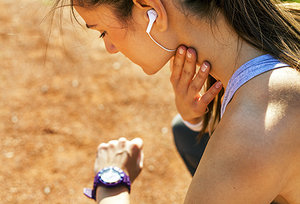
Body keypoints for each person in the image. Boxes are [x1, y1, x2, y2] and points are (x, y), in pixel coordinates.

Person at [52, 0, 300, 203]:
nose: (110, 47)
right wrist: (194, 118)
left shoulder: (254, 130)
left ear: (152, 10)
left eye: (103, 31)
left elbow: (251, 144)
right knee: (185, 131)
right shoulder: (276, 38)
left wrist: (111, 183)